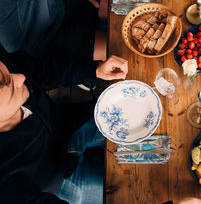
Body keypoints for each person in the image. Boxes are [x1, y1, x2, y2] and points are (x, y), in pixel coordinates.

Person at [0, 44, 128, 203]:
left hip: (70, 123)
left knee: (137, 119)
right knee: (126, 193)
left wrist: (94, 70)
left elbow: (40, 69)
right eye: (11, 89)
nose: (21, 77)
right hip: (63, 179)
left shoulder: (7, 70)